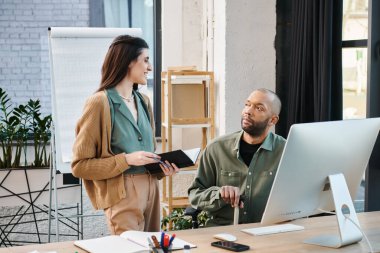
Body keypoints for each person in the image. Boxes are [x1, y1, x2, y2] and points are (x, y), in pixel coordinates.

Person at [71, 35, 179, 235]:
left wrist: (161, 169)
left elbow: (145, 156)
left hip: (152, 190)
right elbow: (79, 166)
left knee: (152, 248)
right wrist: (127, 159)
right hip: (122, 193)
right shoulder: (99, 103)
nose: (150, 67)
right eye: (145, 60)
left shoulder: (144, 101)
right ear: (128, 61)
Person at [188, 88, 286, 226]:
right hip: (223, 232)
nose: (248, 111)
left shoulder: (285, 151)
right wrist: (219, 194)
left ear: (272, 120)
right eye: (247, 104)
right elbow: (195, 195)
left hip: (266, 232)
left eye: (259, 108)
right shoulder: (216, 148)